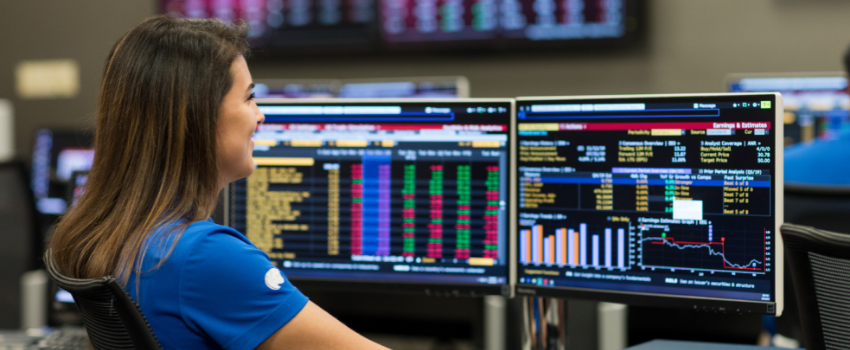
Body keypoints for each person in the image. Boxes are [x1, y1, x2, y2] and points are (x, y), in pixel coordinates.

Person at [48, 15, 390, 350]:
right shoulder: (204, 257)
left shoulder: (105, 235)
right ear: (198, 116)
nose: (260, 115)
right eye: (249, 97)